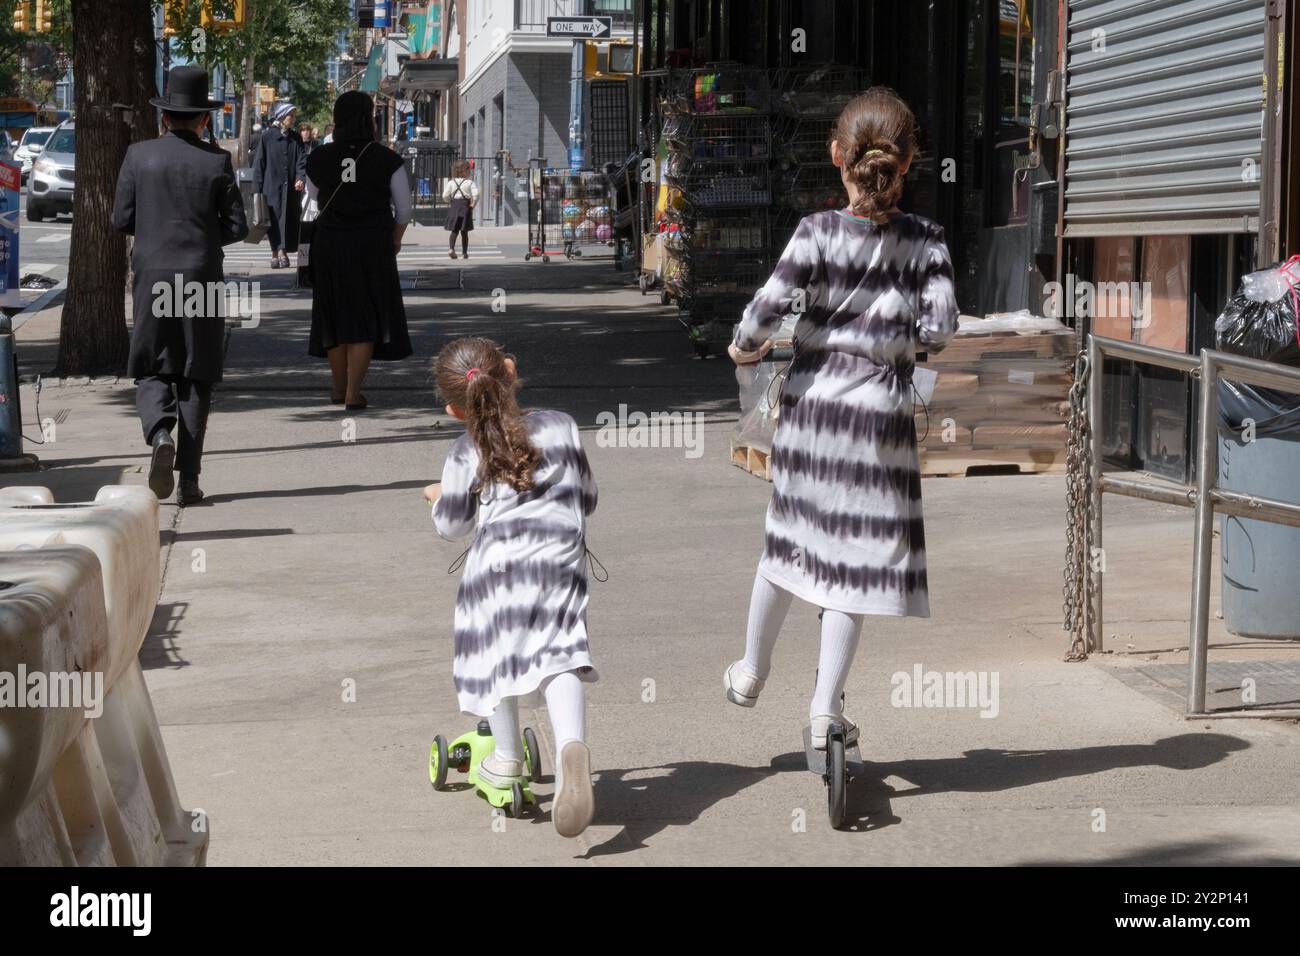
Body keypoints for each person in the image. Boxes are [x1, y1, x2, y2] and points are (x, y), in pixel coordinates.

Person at [721, 88, 959, 748]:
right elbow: (940, 328)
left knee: (787, 544)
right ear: (908, 161)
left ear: (836, 156)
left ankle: (750, 671)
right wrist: (901, 340)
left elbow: (765, 311)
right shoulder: (927, 243)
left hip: (813, 417)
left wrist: (744, 346)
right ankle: (825, 710)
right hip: (879, 423)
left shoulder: (817, 233)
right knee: (851, 568)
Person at [425, 337, 598, 838]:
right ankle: (571, 745)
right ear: (510, 369)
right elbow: (586, 498)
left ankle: (504, 759)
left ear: (454, 409)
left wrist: (437, 497)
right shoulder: (562, 426)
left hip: (498, 570)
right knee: (562, 653)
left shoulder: (463, 452)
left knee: (492, 649)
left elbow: (452, 526)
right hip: (560, 561)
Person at [111, 66, 248, 507]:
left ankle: (159, 434)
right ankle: (189, 479)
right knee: (197, 373)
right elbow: (236, 226)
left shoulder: (138, 156)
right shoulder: (217, 160)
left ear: (165, 117)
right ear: (204, 119)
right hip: (201, 276)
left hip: (151, 275)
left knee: (152, 365)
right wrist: (202, 238)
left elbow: (121, 219)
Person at [304, 91, 413, 409]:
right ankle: (354, 392)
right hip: (372, 244)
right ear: (369, 119)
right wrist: (396, 238)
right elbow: (404, 209)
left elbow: (311, 202)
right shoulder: (387, 159)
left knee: (333, 313)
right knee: (365, 315)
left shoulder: (319, 157)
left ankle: (337, 388)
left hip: (330, 242)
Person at [251, 101, 306, 269]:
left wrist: (300, 177)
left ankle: (281, 252)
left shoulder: (296, 138)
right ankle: (276, 253)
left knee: (287, 220)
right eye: (291, 116)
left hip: (290, 188)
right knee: (273, 221)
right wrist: (256, 189)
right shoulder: (267, 136)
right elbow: (259, 163)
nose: (294, 119)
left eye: (295, 116)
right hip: (271, 187)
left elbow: (301, 160)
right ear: (282, 117)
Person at [442, 160, 478, 259]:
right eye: (468, 170)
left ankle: (451, 249)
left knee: (454, 230)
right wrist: (473, 204)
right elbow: (476, 194)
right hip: (465, 207)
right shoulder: (469, 182)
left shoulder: (451, 182)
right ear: (465, 171)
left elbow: (445, 195)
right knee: (464, 231)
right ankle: (464, 253)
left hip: (454, 206)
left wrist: (450, 201)